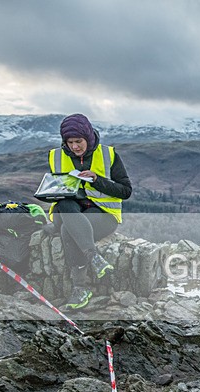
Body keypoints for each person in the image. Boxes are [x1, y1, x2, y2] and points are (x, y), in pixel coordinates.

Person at [47, 113, 132, 310]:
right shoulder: (55, 156)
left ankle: (80, 289)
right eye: (70, 142)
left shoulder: (108, 155)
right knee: (66, 206)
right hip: (66, 212)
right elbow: (55, 187)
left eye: (78, 141)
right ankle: (94, 258)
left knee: (69, 231)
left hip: (102, 215)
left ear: (88, 137)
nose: (74, 147)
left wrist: (97, 180)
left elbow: (125, 191)